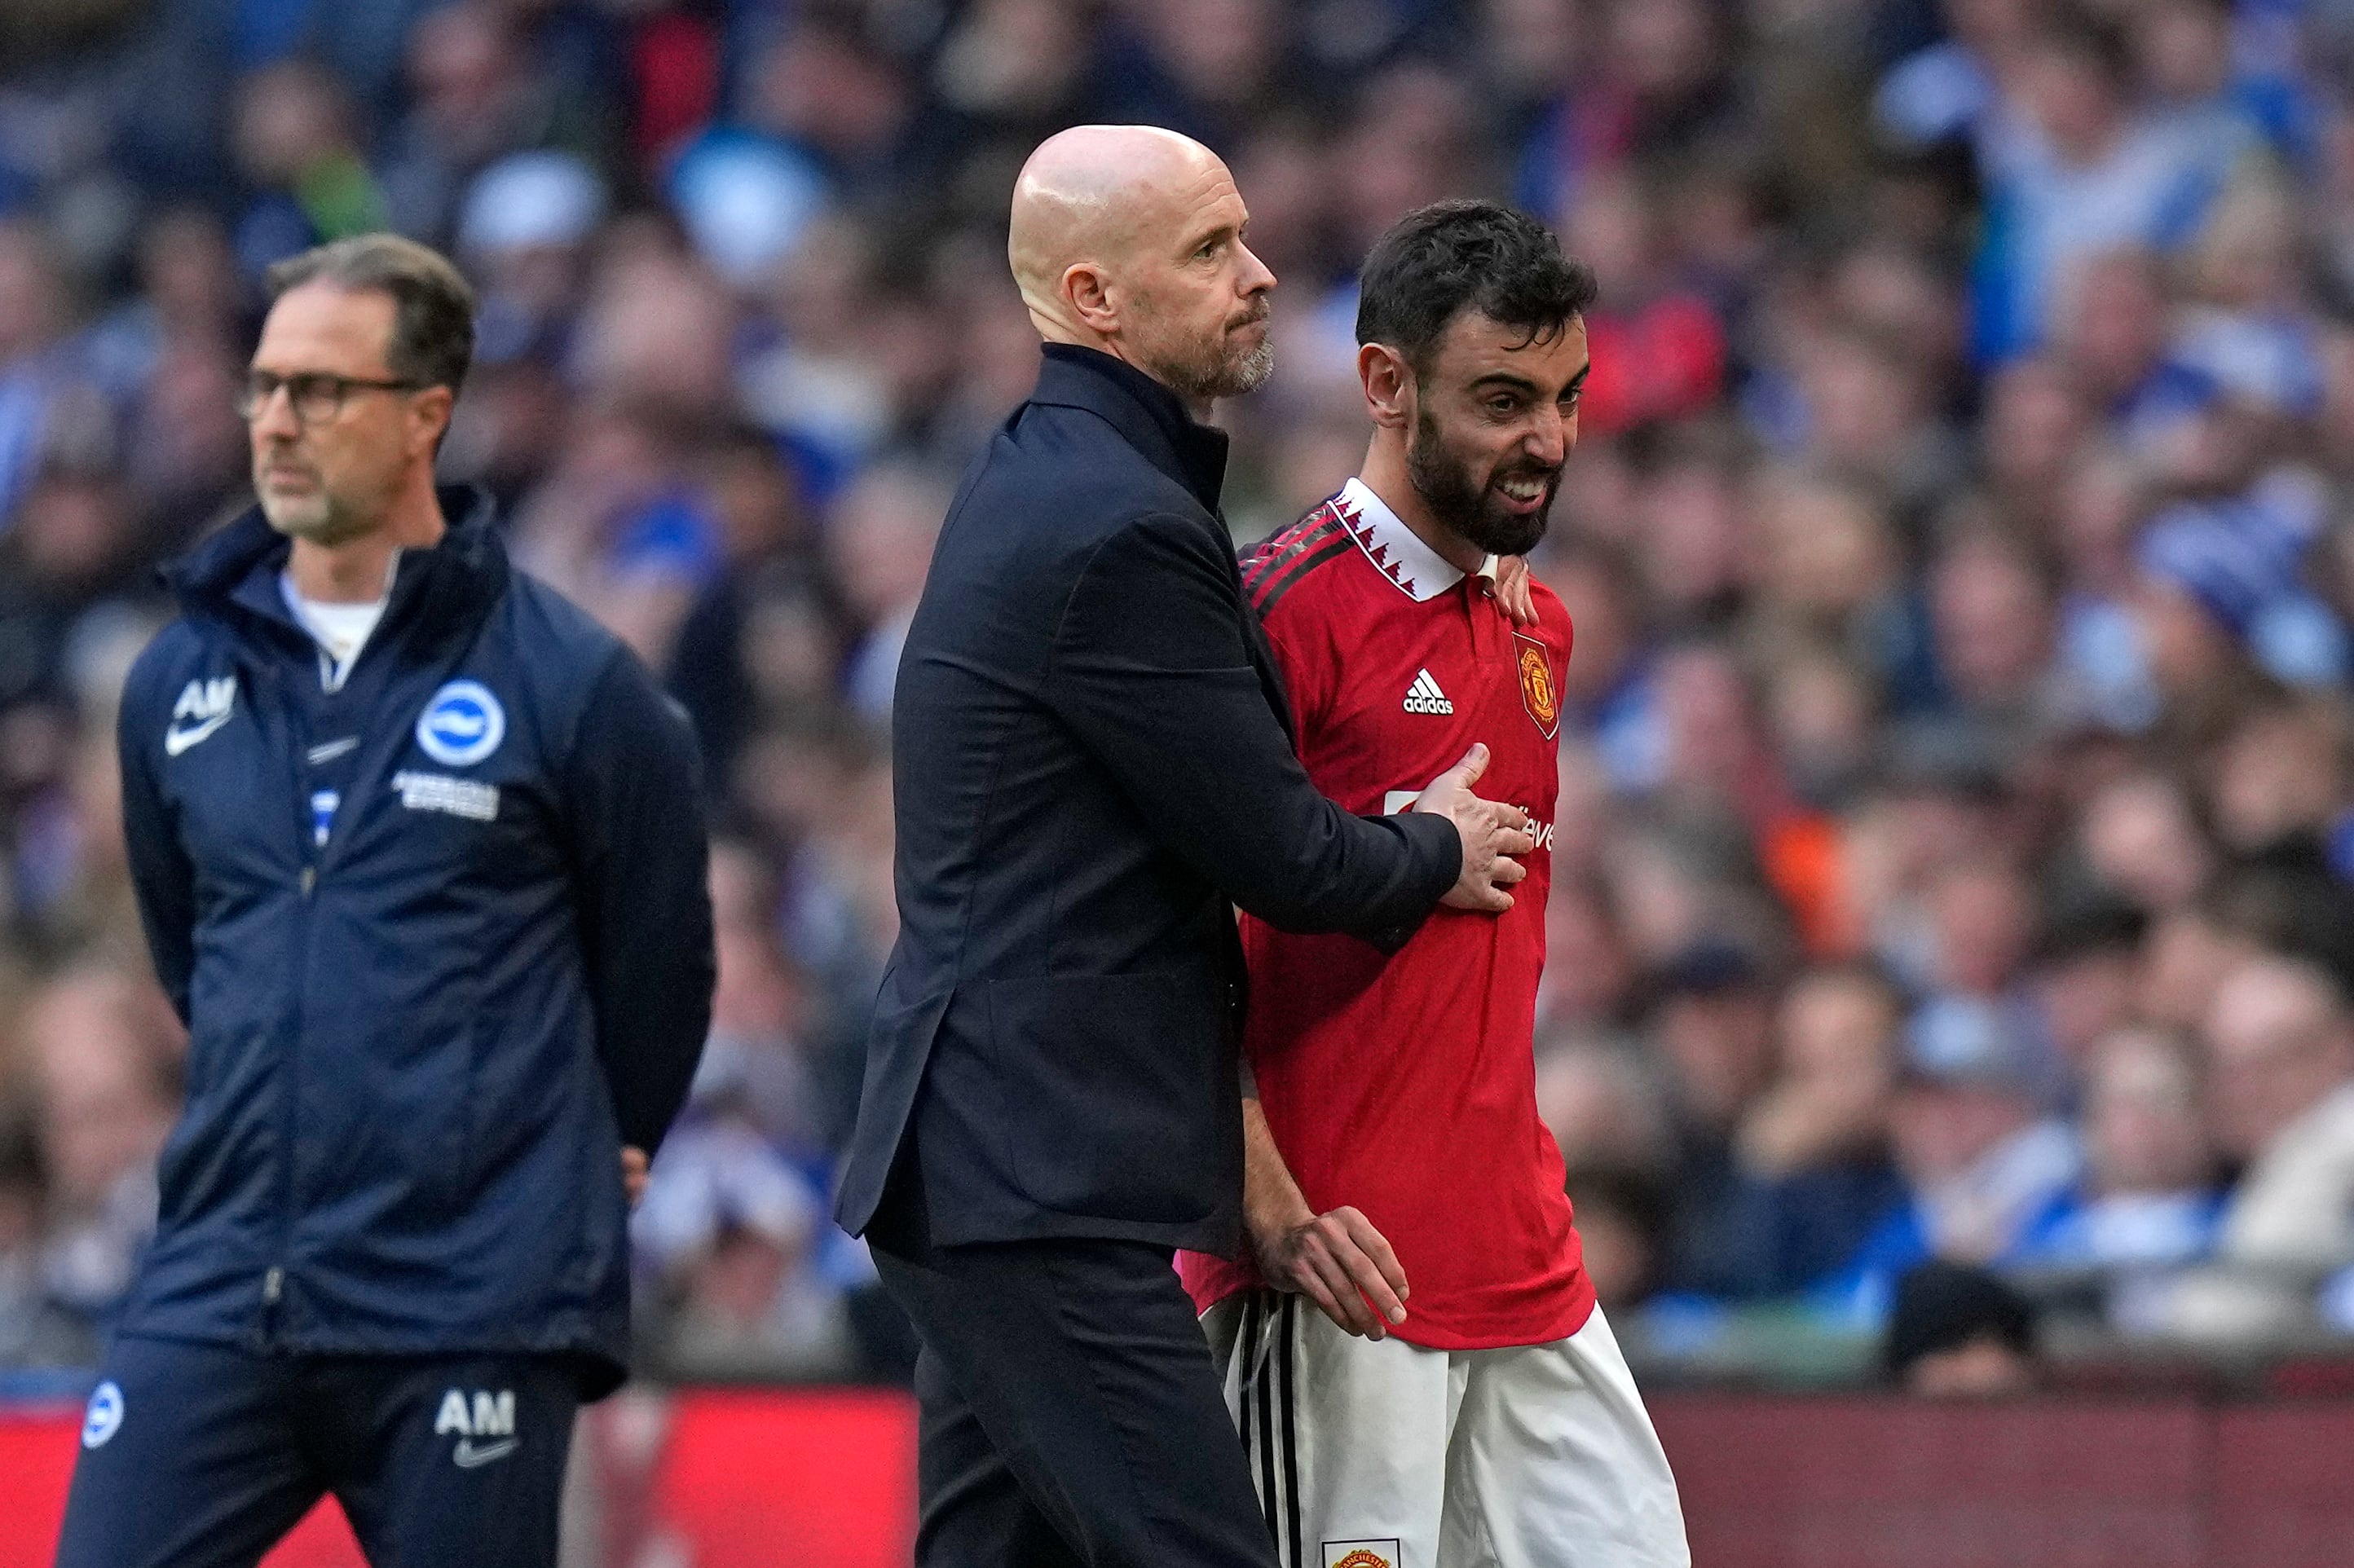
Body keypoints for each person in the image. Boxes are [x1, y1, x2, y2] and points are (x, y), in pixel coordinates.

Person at [833, 130, 1534, 1568]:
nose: (1260, 274)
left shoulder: (1059, 478)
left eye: (1245, 236)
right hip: (1035, 1176)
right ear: (1096, 298)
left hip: (989, 1165)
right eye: (1209, 250)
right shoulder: (1121, 527)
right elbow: (1283, 858)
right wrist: (1432, 845)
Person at [55, 234, 715, 1568]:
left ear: (426, 414)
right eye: (262, 387)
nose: (278, 422)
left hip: (469, 1300)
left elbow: (661, 966)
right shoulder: (173, 682)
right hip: (222, 1277)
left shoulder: (577, 683)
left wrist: (606, 1135)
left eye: (322, 389)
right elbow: (204, 955)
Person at [1178, 200, 1690, 1568]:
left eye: (1568, 398)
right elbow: (1167, 940)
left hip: (1523, 1252)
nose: (1550, 441)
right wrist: (1260, 1204)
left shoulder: (1538, 622)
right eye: (1504, 400)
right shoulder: (1273, 615)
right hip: (1337, 1266)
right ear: (1385, 386)